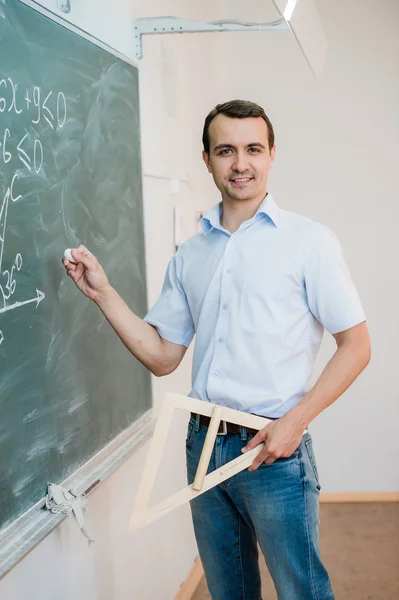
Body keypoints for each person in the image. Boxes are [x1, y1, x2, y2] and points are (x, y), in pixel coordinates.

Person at [63, 100, 371, 600]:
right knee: (229, 592)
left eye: (253, 149)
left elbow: (356, 346)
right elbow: (164, 356)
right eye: (225, 150)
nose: (240, 163)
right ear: (206, 159)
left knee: (303, 592)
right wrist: (103, 293)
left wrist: (294, 422)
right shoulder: (192, 253)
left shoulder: (309, 242)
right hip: (202, 447)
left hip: (274, 452)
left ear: (272, 155)